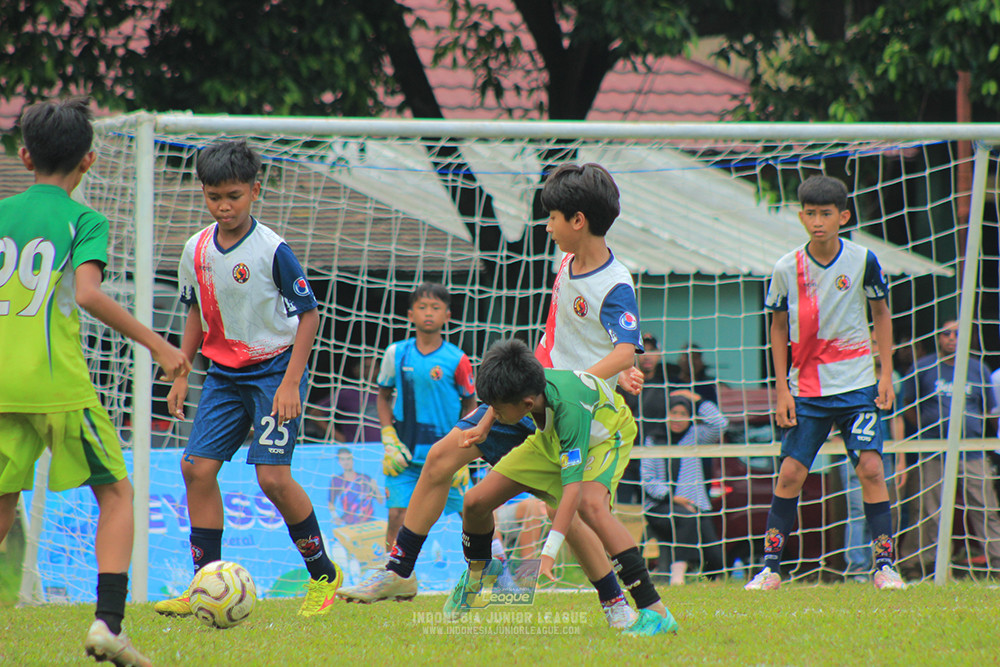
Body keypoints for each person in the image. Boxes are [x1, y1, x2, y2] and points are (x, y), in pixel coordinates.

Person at [337, 163, 645, 631]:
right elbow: (553, 337)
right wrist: (487, 413)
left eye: (553, 217)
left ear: (578, 221)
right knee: (445, 459)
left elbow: (625, 350)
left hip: (567, 409)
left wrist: (594, 379)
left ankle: (615, 603)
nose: (547, 225)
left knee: (571, 507)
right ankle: (402, 572)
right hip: (531, 392)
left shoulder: (615, 282)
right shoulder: (565, 263)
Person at [0, 97, 190, 667]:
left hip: (0, 385)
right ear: (89, 160)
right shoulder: (85, 219)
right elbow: (86, 293)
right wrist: (158, 343)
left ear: (24, 155)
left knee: (2, 502)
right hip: (58, 388)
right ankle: (108, 623)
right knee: (117, 494)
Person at [155, 139, 344, 618]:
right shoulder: (195, 249)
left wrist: (289, 384)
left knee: (273, 478)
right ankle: (207, 583)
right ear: (203, 193)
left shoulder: (272, 250)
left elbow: (309, 315)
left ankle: (324, 575)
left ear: (255, 191)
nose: (224, 206)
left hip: (274, 371)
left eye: (234, 195)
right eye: (214, 195)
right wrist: (181, 373)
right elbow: (195, 310)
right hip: (222, 375)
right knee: (196, 468)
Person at [452, 339, 678, 636]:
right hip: (550, 439)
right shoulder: (528, 384)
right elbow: (504, 400)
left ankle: (653, 610)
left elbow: (570, 493)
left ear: (526, 405)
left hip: (605, 437)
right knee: (475, 502)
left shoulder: (568, 410)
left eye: (495, 408)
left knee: (589, 505)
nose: (491, 411)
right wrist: (482, 426)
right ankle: (480, 575)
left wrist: (549, 551)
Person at [746, 174, 904, 591]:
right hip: (807, 390)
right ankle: (770, 568)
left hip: (856, 386)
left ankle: (884, 566)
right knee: (791, 475)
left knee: (870, 468)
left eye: (826, 214)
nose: (818, 221)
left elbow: (882, 314)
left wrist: (885, 373)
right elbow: (777, 327)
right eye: (811, 214)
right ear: (801, 216)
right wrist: (781, 387)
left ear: (843, 216)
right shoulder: (786, 268)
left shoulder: (863, 259)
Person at [376, 282, 477, 551]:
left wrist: (464, 450)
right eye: (421, 307)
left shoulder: (458, 359)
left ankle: (501, 573)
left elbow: (471, 404)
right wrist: (388, 437)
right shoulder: (396, 353)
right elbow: (382, 396)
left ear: (447, 316)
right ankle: (394, 577)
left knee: (474, 513)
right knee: (397, 516)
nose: (428, 313)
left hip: (447, 457)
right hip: (404, 455)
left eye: (435, 307)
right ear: (410, 315)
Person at [897, 320, 1000, 576]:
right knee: (928, 511)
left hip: (973, 451)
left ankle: (997, 561)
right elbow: (907, 405)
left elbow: (988, 410)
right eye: (946, 333)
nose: (952, 338)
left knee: (985, 508)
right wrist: (927, 428)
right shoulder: (923, 367)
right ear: (938, 337)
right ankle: (916, 564)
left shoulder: (979, 369)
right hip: (934, 451)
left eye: (958, 333)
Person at [640, 390, 728, 585]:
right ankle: (677, 577)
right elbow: (647, 478)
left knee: (714, 553)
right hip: (660, 506)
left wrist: (698, 400)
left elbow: (720, 424)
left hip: (695, 505)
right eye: (674, 413)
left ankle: (712, 583)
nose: (677, 419)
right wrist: (673, 498)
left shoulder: (696, 436)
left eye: (683, 414)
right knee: (685, 519)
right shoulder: (653, 440)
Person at [836, 335, 906, 581]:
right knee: (857, 510)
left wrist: (901, 458)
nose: (877, 347)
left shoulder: (895, 379)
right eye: (873, 342)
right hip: (856, 451)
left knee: (887, 510)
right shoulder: (851, 376)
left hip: (884, 453)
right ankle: (857, 568)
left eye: (881, 342)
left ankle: (883, 565)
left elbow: (898, 418)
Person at [618, 332, 666, 503]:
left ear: (660, 355)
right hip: (625, 457)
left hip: (653, 460)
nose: (647, 356)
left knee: (653, 509)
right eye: (642, 350)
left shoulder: (667, 387)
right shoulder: (622, 385)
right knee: (622, 508)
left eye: (652, 350)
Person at [329, 447, 380, 525]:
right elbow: (331, 503)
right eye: (343, 459)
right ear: (339, 462)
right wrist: (335, 517)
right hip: (350, 524)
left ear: (353, 459)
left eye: (348, 459)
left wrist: (376, 488)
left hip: (369, 522)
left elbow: (380, 501)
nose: (346, 462)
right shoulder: (336, 481)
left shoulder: (365, 478)